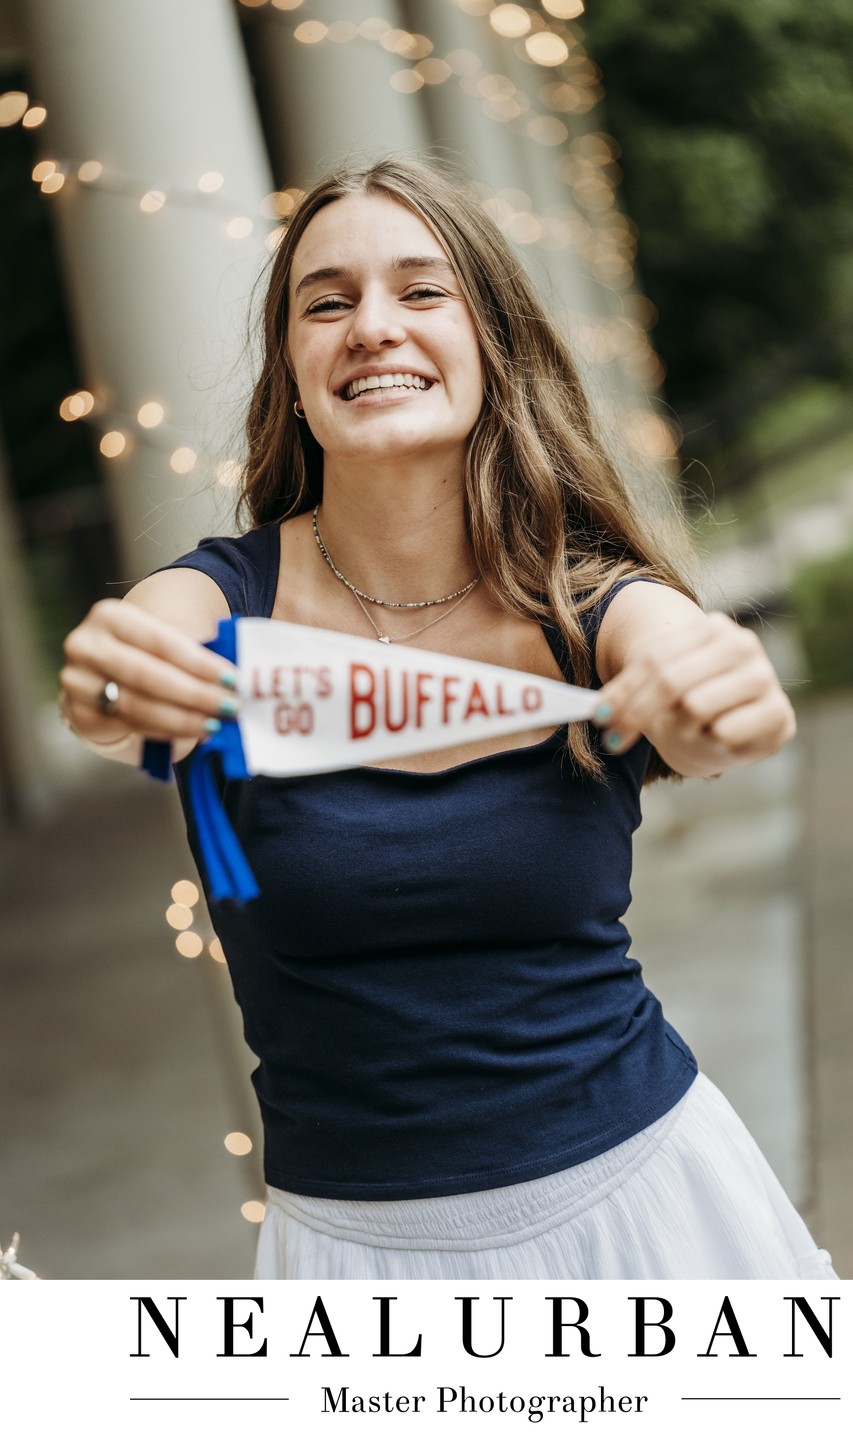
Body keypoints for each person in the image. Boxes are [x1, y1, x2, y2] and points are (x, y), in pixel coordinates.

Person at [59, 157, 836, 1280]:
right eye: (327, 302)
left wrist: (730, 706)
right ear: (292, 367)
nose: (372, 326)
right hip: (348, 1263)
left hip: (655, 1220)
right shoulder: (220, 597)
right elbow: (130, 674)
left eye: (423, 292)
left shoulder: (593, 604)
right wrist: (108, 684)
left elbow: (693, 675)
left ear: (493, 343)